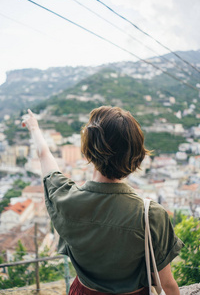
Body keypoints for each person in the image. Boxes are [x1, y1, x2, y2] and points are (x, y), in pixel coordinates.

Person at [22, 106, 184, 295]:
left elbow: (44, 157)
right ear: (137, 156)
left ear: (87, 151)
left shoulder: (65, 199)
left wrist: (34, 127)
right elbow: (167, 284)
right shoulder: (151, 215)